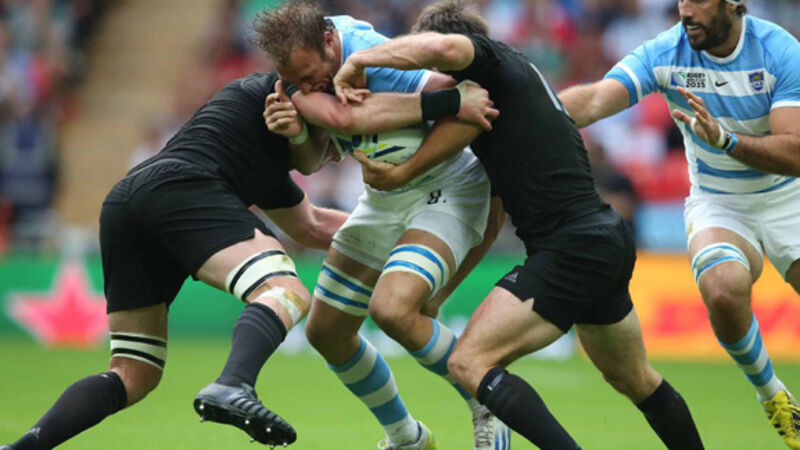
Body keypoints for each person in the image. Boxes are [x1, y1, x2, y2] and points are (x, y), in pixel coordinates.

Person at [334, 1, 706, 448]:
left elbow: (444, 48)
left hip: (572, 247)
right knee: (635, 379)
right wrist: (443, 293)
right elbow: (492, 220)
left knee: (469, 362)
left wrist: (359, 59)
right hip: (601, 239)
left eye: (433, 69)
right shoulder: (501, 104)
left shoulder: (491, 61)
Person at [1, 71, 349, 450]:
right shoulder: (278, 88)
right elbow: (305, 66)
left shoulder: (262, 160)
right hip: (183, 186)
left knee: (134, 372)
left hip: (128, 200)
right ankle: (233, 384)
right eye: (337, 139)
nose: (337, 154)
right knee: (284, 289)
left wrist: (395, 236)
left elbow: (313, 226)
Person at [254, 2, 509, 449]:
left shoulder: (374, 55)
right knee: (325, 331)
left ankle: (488, 398)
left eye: (309, 75)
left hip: (444, 187)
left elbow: (468, 104)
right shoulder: (301, 76)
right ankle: (407, 438)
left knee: (393, 310)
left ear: (330, 41)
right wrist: (297, 133)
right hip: (383, 196)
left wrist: (403, 167)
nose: (306, 87)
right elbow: (314, 160)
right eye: (295, 80)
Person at [557, 0, 800, 447]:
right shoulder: (666, 52)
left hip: (789, 197)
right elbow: (594, 99)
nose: (686, 10)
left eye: (698, 0)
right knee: (721, 287)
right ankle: (774, 396)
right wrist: (526, 112)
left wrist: (726, 141)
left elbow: (795, 152)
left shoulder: (779, 51)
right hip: (719, 201)